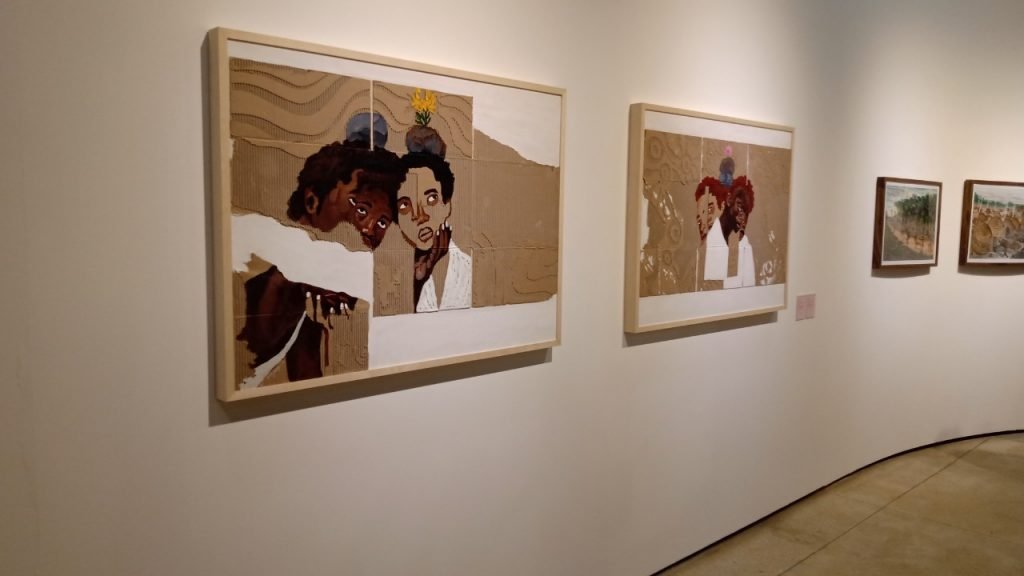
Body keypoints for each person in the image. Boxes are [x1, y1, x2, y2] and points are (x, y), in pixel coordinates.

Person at [235, 113, 407, 388]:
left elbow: (307, 384)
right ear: (312, 202)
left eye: (382, 222)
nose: (369, 231)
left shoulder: (309, 301)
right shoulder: (244, 271)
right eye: (361, 210)